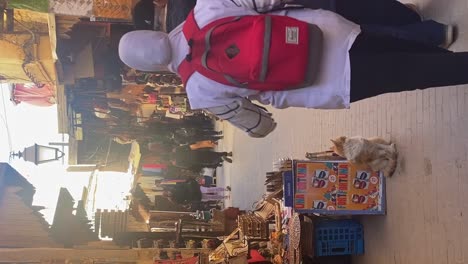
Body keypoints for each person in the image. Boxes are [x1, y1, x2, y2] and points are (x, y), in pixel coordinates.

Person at [119, 0, 468, 138]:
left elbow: (260, 126)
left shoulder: (199, 92)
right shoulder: (207, 8)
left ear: (150, 69)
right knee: (394, 45)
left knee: (415, 76)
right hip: (329, 31)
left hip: (330, 83)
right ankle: (432, 36)